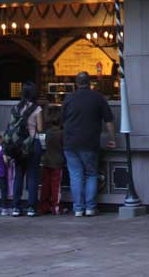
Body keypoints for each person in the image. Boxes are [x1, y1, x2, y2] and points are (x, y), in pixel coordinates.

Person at [61, 71, 116, 218]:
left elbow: (62, 120)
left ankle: (78, 208)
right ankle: (90, 207)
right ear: (90, 83)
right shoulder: (98, 98)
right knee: (91, 174)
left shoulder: (68, 98)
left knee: (75, 176)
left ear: (76, 83)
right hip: (90, 142)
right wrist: (112, 139)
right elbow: (109, 121)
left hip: (70, 143)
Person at [9, 82, 44, 217]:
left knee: (18, 175)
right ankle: (31, 207)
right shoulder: (37, 109)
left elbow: (11, 127)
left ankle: (16, 207)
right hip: (32, 144)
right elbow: (40, 129)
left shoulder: (16, 108)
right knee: (32, 176)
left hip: (18, 145)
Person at [39, 107, 65, 216]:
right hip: (57, 162)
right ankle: (56, 207)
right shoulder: (62, 133)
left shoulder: (48, 132)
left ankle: (44, 206)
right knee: (55, 186)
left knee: (45, 185)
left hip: (46, 161)